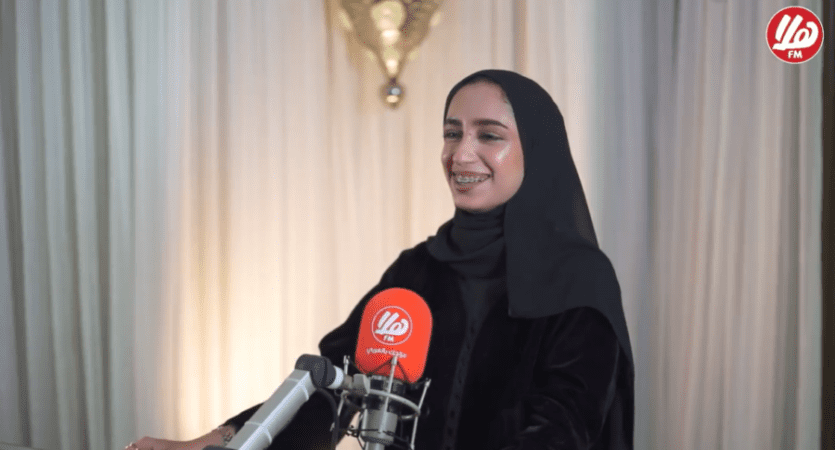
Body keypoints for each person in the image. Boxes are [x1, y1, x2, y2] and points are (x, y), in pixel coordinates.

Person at [127, 69, 634, 450]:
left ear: (536, 151)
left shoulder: (579, 279)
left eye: (489, 135)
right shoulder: (419, 270)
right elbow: (328, 388)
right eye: (452, 132)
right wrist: (217, 442)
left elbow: (563, 426)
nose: (461, 154)